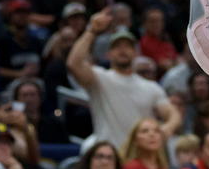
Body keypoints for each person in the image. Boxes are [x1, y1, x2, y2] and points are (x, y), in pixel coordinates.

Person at [70, 9, 182, 148]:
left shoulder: (150, 87)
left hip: (138, 158)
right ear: (108, 54)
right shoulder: (100, 78)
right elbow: (73, 63)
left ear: (135, 53)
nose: (122, 50)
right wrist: (91, 31)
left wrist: (166, 130)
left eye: (128, 46)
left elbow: (173, 115)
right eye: (117, 47)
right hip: (109, 156)